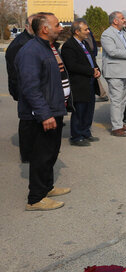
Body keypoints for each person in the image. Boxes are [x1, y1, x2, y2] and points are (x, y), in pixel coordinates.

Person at [15, 13, 72, 211]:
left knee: (50, 153)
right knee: (41, 155)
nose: (61, 27)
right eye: (57, 24)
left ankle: (47, 188)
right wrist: (44, 114)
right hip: (41, 114)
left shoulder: (48, 47)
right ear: (45, 29)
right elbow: (31, 87)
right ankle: (35, 199)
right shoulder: (31, 51)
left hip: (53, 109)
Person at [60, 19, 101, 146]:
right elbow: (72, 65)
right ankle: (76, 136)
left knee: (89, 110)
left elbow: (91, 60)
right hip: (79, 83)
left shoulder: (85, 44)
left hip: (90, 82)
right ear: (77, 31)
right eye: (86, 30)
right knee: (80, 111)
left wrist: (97, 70)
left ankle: (86, 132)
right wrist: (91, 71)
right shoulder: (69, 46)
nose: (88, 32)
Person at [5, 13, 37, 163]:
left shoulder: (33, 40)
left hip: (31, 88)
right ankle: (27, 154)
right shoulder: (20, 43)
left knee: (33, 119)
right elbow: (16, 72)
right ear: (27, 26)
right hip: (24, 88)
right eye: (34, 24)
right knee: (27, 120)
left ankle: (33, 147)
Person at [101, 11, 126, 137]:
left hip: (125, 71)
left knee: (122, 99)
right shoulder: (107, 34)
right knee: (116, 100)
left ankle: (120, 123)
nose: (124, 20)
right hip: (114, 72)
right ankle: (116, 127)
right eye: (122, 18)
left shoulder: (123, 33)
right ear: (115, 21)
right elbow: (112, 51)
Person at [85, 28, 109, 102]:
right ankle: (102, 94)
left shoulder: (86, 32)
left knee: (94, 77)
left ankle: (102, 94)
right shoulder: (88, 31)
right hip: (91, 56)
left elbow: (91, 45)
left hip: (89, 57)